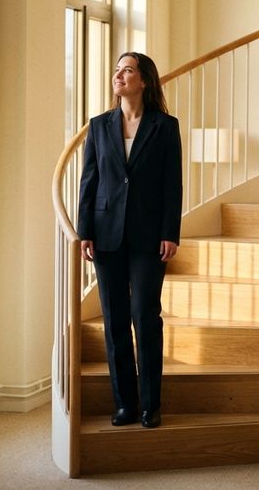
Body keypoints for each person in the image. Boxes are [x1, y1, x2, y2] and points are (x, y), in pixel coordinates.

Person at [77, 52, 182, 429]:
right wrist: (83, 231)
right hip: (105, 235)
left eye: (128, 70)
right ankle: (124, 403)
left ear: (144, 81)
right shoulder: (99, 126)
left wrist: (171, 232)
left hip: (149, 236)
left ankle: (150, 405)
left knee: (145, 317)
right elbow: (89, 182)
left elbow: (173, 184)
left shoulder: (165, 127)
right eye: (117, 70)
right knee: (115, 321)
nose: (119, 75)